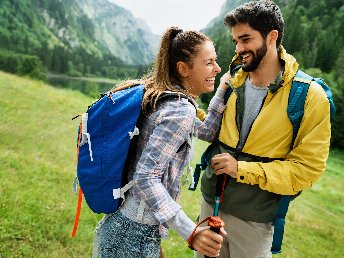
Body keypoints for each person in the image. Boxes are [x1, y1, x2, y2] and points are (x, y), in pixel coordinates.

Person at [196, 1, 331, 257]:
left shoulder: (309, 96)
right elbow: (217, 131)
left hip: (254, 220)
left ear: (272, 37)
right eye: (236, 41)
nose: (238, 49)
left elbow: (308, 169)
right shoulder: (233, 81)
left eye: (245, 39)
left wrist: (241, 168)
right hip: (209, 204)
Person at [97, 26, 230, 258]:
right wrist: (192, 232)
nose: (217, 68)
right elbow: (145, 177)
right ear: (183, 68)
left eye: (216, 61)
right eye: (209, 62)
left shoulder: (165, 97)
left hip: (130, 225)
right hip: (132, 235)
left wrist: (222, 90)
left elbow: (207, 131)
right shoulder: (179, 110)